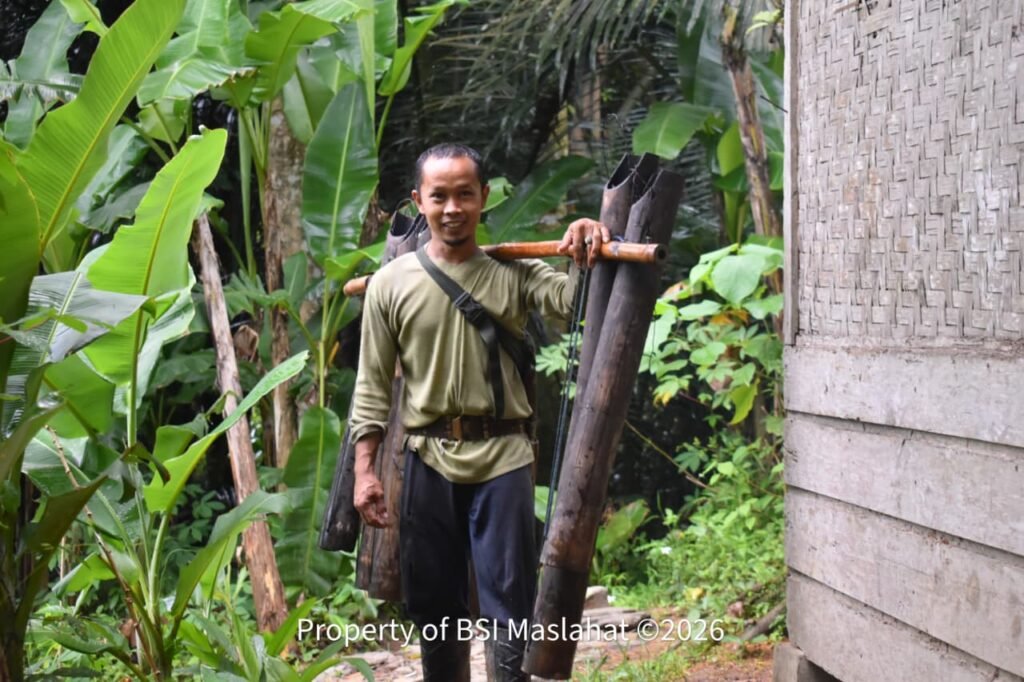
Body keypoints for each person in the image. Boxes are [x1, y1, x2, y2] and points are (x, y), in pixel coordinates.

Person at [350, 143, 608, 681]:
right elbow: (371, 387)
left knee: (510, 603)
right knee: (436, 608)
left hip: (503, 458)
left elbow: (573, 302)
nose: (452, 208)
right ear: (419, 200)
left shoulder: (512, 270)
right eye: (439, 196)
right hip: (427, 458)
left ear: (483, 198)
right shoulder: (391, 285)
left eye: (464, 194)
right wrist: (364, 471)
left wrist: (585, 241)